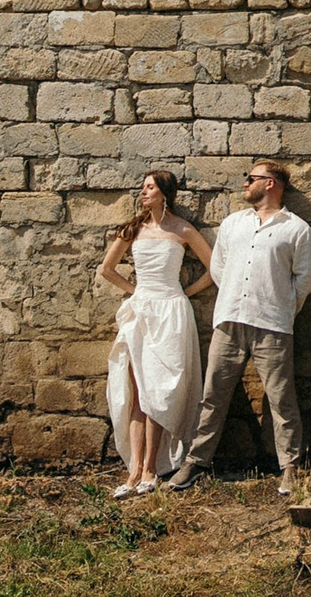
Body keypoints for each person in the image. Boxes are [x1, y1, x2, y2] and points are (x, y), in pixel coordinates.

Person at [167, 158, 311, 496]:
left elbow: (307, 279)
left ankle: (290, 468)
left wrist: (279, 305)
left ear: (271, 184)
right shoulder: (233, 224)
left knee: (282, 399)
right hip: (230, 321)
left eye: (252, 178)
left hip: (273, 326)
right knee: (213, 396)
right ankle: (196, 462)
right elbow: (219, 269)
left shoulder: (295, 229)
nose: (245, 183)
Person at [97, 170, 214, 497]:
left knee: (159, 392)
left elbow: (214, 268)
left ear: (164, 193)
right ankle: (134, 472)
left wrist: (186, 293)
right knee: (136, 392)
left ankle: (151, 470)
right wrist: (134, 291)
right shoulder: (133, 229)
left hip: (171, 311)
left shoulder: (183, 229)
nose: (143, 191)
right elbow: (107, 269)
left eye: (149, 187)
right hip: (142, 311)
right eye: (143, 186)